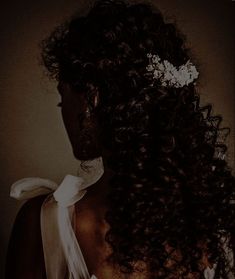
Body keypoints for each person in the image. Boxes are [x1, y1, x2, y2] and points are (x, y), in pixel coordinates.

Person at [5, 0, 235, 278]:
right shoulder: (213, 228)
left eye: (62, 96)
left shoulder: (45, 225)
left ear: (92, 98)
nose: (61, 109)